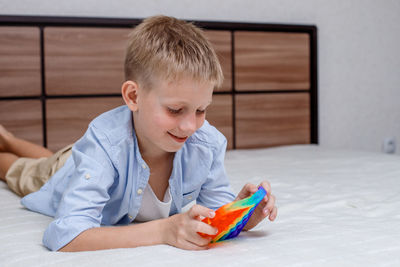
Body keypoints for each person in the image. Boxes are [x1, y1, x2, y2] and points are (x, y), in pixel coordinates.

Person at [0, 15, 277, 252]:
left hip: (85, 157)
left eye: (201, 110)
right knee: (26, 170)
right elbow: (64, 236)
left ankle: (10, 138)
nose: (190, 126)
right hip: (69, 168)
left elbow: (211, 218)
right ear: (133, 96)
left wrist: (242, 215)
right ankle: (7, 141)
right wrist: (163, 231)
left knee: (53, 156)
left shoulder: (206, 144)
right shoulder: (105, 144)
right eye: (176, 109)